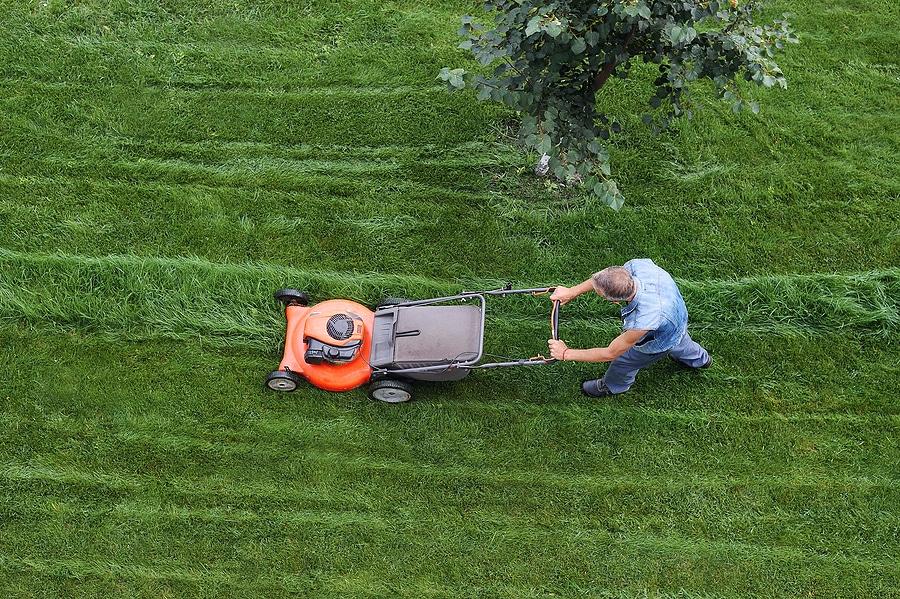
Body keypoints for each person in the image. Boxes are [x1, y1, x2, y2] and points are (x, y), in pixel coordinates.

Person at [548, 259, 711, 397]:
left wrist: (565, 353)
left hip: (661, 337)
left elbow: (610, 353)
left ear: (614, 301)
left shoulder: (643, 320)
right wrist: (572, 292)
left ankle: (613, 386)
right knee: (681, 340)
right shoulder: (638, 267)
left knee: (624, 361)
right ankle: (701, 359)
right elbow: (603, 279)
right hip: (677, 319)